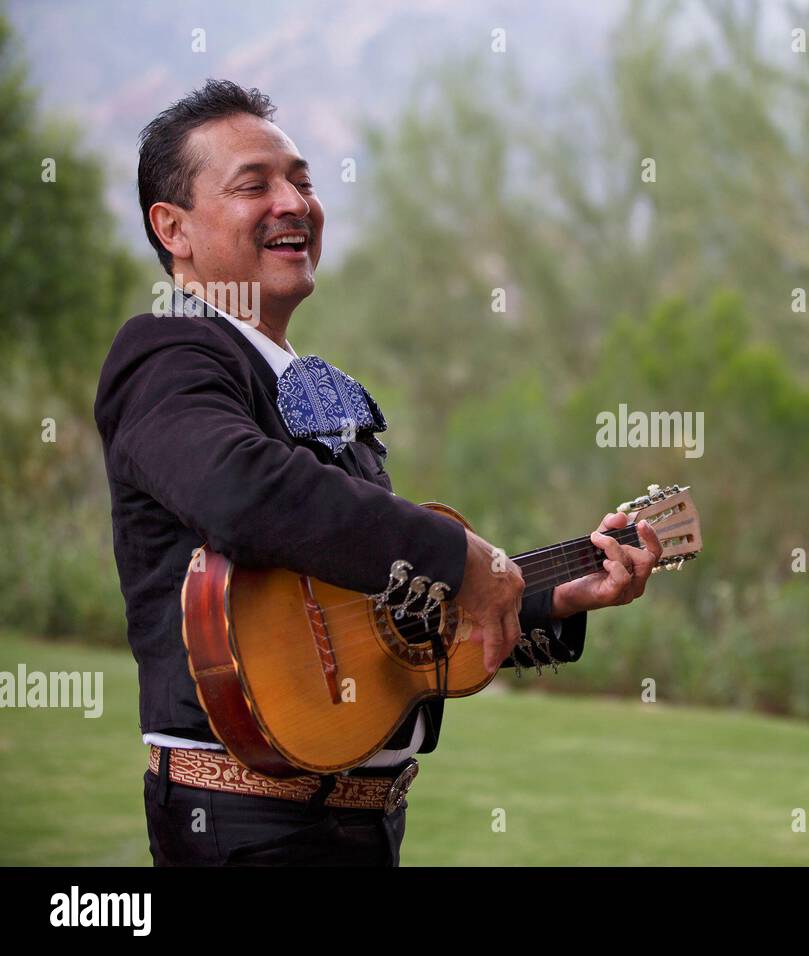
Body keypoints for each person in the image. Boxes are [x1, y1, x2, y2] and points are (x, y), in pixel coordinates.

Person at [93, 79, 662, 866]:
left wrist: (543, 596)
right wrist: (461, 555)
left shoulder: (322, 386)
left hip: (363, 826)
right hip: (243, 821)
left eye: (302, 180)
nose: (293, 202)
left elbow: (383, 620)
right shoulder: (165, 347)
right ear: (174, 228)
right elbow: (243, 491)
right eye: (255, 185)